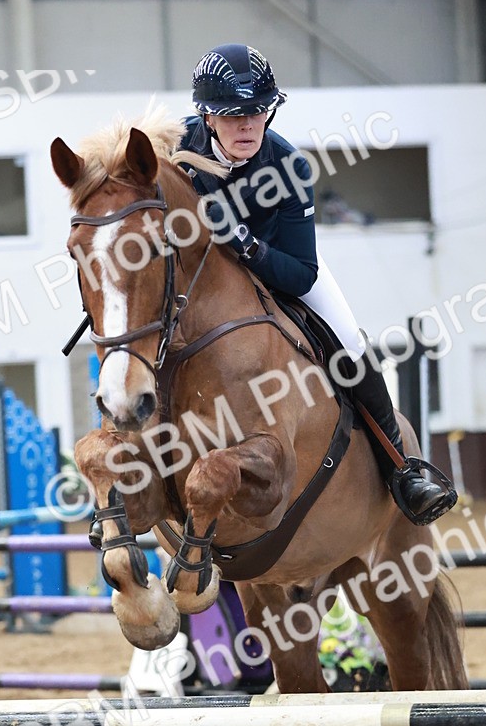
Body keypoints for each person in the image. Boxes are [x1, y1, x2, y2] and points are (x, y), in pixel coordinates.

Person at [178, 43, 456, 525]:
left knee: (347, 340)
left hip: (276, 264)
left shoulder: (290, 166)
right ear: (206, 116)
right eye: (233, 115)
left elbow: (301, 272)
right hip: (199, 279)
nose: (248, 126)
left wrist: (243, 243)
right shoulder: (175, 150)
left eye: (258, 112)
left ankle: (401, 468)